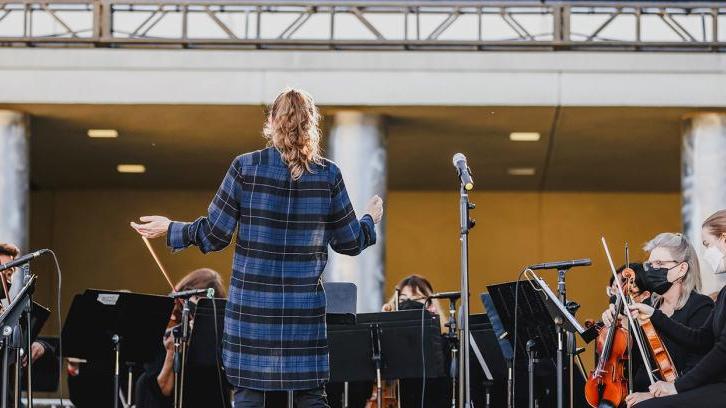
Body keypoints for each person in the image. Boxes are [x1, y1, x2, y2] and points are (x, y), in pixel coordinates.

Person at [131, 87, 383, 408]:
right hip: (302, 320)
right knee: (310, 399)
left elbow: (214, 235)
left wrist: (172, 228)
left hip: (250, 317)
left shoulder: (245, 168)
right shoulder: (327, 175)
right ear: (311, 124)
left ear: (273, 122)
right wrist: (369, 220)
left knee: (249, 398)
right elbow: (349, 242)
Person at [599, 233, 713, 407]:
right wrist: (616, 319)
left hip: (676, 394)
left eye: (660, 264)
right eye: (650, 264)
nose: (652, 270)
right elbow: (633, 364)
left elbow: (697, 365)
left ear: (681, 269)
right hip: (637, 391)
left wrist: (653, 395)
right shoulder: (647, 305)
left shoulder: (699, 306)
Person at [626, 216, 726, 407]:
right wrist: (653, 315)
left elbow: (721, 351)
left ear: (724, 239)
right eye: (651, 264)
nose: (705, 254)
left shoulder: (701, 305)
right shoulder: (724, 293)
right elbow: (700, 338)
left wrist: (676, 387)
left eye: (707, 245)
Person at [135, 268, 229, 408]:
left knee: (206, 379)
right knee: (144, 382)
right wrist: (172, 352)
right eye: (192, 296)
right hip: (165, 399)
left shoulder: (218, 334)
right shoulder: (169, 328)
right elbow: (162, 390)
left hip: (206, 395)